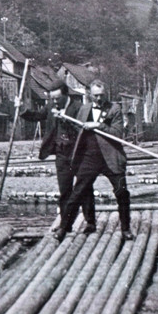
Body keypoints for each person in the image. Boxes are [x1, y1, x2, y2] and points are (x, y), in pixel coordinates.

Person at [55, 80, 133, 242]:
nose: (99, 99)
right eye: (95, 95)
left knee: (122, 193)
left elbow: (117, 134)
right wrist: (64, 119)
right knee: (77, 193)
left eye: (101, 95)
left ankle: (126, 229)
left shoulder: (115, 109)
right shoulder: (84, 109)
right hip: (89, 158)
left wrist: (98, 125)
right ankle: (64, 227)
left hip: (111, 158)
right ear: (90, 95)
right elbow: (78, 129)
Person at [19, 79, 96, 234]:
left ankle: (90, 222)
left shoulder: (78, 107)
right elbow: (36, 116)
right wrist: (21, 109)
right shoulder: (51, 107)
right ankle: (65, 224)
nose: (54, 101)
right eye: (52, 99)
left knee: (84, 188)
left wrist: (66, 120)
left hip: (79, 153)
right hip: (61, 154)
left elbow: (84, 129)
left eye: (57, 98)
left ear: (66, 95)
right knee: (65, 189)